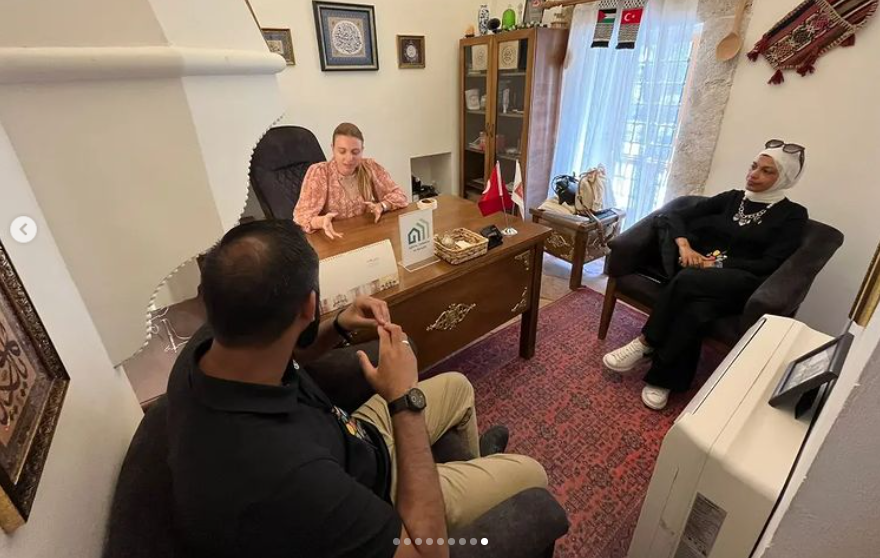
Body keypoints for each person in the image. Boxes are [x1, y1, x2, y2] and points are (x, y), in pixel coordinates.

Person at [166, 220, 548, 558]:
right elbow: (424, 553)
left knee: (458, 387)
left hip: (355, 437)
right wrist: (403, 399)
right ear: (308, 306)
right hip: (379, 495)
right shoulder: (287, 476)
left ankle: (472, 469)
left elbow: (290, 348)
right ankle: (460, 500)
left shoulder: (217, 340)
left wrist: (339, 325)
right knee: (533, 475)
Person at [602, 140, 808, 411]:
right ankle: (663, 380)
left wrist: (715, 264)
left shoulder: (793, 215)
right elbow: (676, 216)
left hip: (743, 282)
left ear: (785, 178)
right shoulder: (732, 199)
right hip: (702, 279)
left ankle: (647, 341)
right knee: (695, 310)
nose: (754, 174)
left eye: (767, 171)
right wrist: (684, 245)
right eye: (754, 166)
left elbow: (770, 263)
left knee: (687, 279)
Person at [294, 122, 409, 240]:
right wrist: (321, 221)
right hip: (332, 239)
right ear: (332, 149)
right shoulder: (319, 173)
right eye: (342, 151)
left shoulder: (370, 166)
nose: (349, 158)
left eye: (355, 152)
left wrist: (382, 206)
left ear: (362, 150)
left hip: (364, 235)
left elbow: (400, 197)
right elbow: (300, 218)